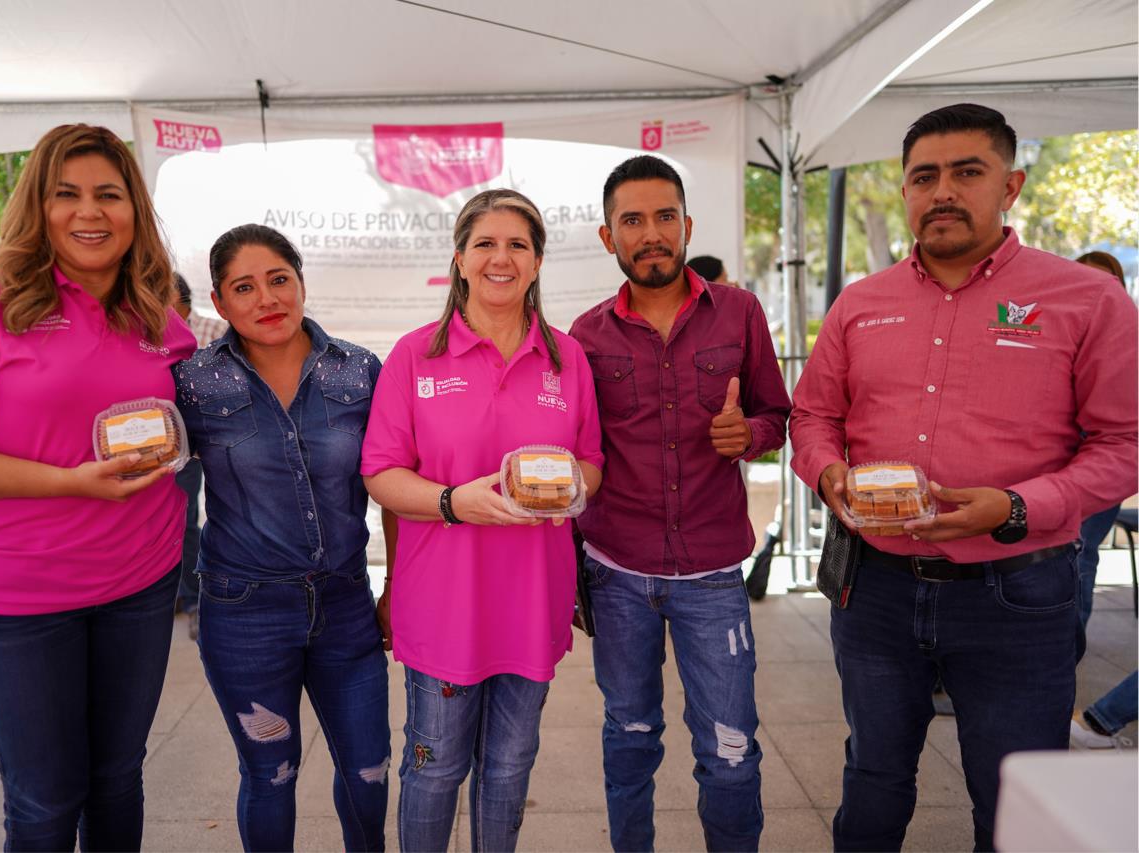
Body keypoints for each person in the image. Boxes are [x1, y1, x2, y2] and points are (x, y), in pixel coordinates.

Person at [789, 103, 1139, 851]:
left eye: (966, 172)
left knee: (1015, 798)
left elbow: (1124, 443)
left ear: (1010, 185)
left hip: (1016, 592)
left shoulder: (1086, 298)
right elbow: (812, 416)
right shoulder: (861, 304)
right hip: (876, 590)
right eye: (924, 176)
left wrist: (1016, 507)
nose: (942, 191)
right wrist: (830, 477)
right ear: (906, 190)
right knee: (874, 781)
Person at [0, 124, 196, 851]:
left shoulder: (156, 313)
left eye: (109, 195)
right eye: (67, 195)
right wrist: (68, 482)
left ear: (134, 210)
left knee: (119, 777)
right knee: (46, 799)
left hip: (141, 582)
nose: (89, 213)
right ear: (39, 206)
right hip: (19, 597)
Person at [362, 188, 604, 852]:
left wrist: (567, 488)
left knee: (508, 766)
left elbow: (591, 462)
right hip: (442, 601)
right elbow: (381, 473)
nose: (502, 257)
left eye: (518, 245)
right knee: (435, 766)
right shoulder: (414, 356)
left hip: (532, 598)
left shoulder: (567, 359)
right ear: (461, 260)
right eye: (486, 244)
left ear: (537, 262)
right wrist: (452, 502)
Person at [569, 155, 790, 852]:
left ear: (687, 225)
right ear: (609, 238)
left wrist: (748, 434)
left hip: (712, 577)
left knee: (729, 754)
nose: (651, 232)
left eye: (665, 216)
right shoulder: (585, 335)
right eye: (632, 220)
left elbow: (778, 416)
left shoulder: (742, 312)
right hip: (617, 572)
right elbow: (576, 451)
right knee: (629, 739)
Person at [174, 224, 390, 852]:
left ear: (300, 282)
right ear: (220, 302)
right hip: (245, 614)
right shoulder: (193, 384)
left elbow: (393, 481)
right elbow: (158, 478)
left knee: (368, 774)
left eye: (279, 280)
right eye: (244, 287)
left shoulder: (356, 371)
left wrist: (395, 585)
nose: (266, 299)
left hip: (347, 606)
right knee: (271, 776)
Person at [1071, 249, 1127, 639]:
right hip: (1048, 467)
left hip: (1099, 468)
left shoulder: (1127, 339)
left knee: (1080, 556)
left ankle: (1063, 657)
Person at [170, 273, 205, 640]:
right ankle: (177, 594)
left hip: (192, 446)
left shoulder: (210, 330)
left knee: (185, 519)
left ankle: (194, 598)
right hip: (152, 443)